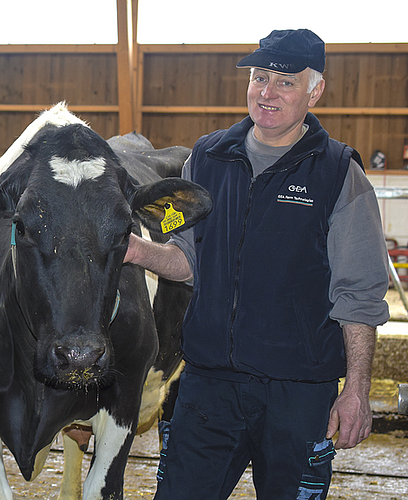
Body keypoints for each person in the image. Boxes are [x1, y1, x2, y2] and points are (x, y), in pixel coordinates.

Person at [125, 29, 390, 499]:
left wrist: (356, 390)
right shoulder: (206, 160)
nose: (267, 92)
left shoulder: (337, 174)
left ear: (315, 91)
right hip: (209, 385)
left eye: (285, 82)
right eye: (259, 77)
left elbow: (359, 295)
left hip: (300, 394)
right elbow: (189, 261)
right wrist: (134, 250)